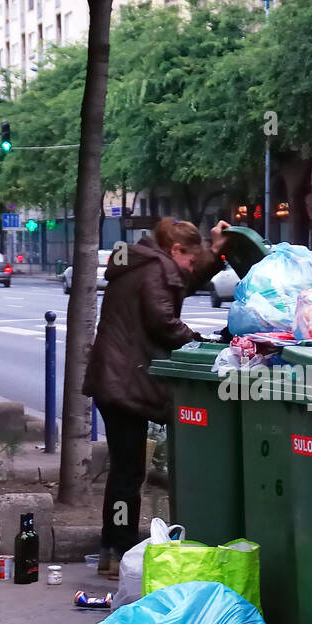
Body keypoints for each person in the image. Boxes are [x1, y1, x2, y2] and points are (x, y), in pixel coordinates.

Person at [81, 217, 230, 583]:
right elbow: (163, 322)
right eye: (190, 259)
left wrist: (215, 251)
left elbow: (182, 282)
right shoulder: (154, 270)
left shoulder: (147, 263)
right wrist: (200, 342)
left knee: (124, 470)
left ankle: (112, 551)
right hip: (123, 383)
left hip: (116, 379)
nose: (192, 268)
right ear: (176, 250)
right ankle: (119, 550)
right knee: (128, 473)